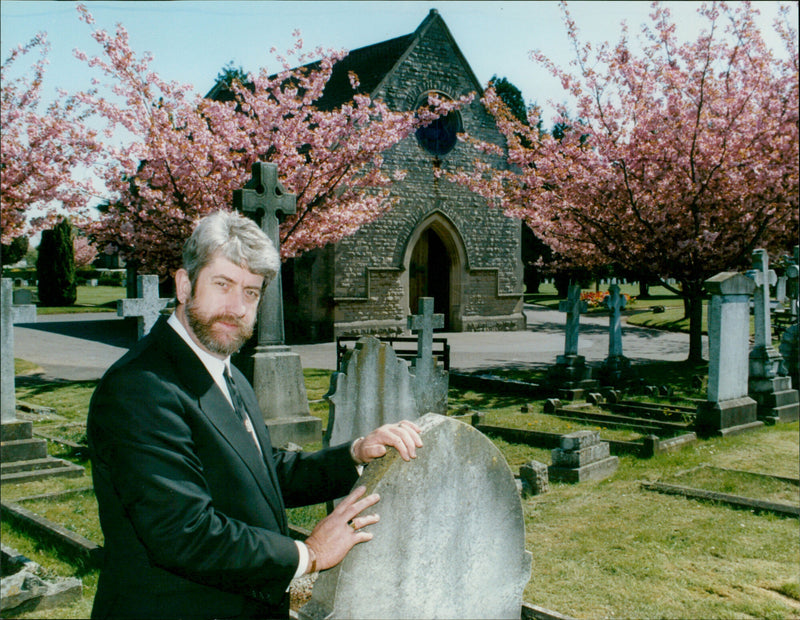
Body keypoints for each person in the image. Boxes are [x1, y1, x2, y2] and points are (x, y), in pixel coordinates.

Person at [87, 210, 423, 619]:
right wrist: (309, 554)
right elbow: (184, 533)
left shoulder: (223, 368)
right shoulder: (141, 387)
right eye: (223, 284)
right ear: (184, 284)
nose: (237, 307)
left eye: (251, 292)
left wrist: (354, 454)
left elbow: (259, 474)